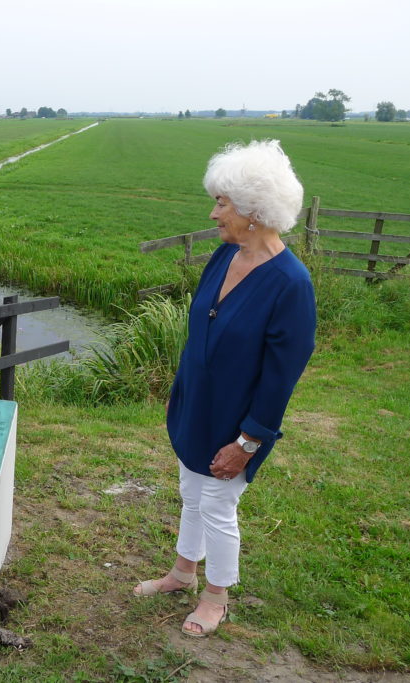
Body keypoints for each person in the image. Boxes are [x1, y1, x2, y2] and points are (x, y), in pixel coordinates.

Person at [132, 140, 316, 637]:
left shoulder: (290, 284)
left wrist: (249, 441)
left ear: (254, 212)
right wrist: (180, 388)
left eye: (222, 203)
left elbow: (282, 375)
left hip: (238, 419)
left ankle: (217, 597)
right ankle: (181, 573)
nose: (214, 213)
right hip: (199, 403)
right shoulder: (223, 256)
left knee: (217, 502)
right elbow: (200, 335)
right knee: (191, 491)